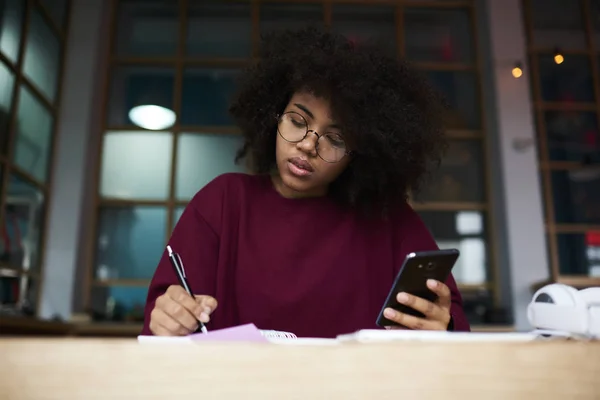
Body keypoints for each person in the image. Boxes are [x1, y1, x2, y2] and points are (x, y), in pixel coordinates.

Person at [142, 26, 470, 338]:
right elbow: (164, 318)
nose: (308, 145)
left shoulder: (388, 218)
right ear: (273, 115)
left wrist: (444, 325)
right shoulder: (223, 202)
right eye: (298, 121)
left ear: (361, 152)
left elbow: (449, 317)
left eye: (336, 138)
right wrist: (168, 319)